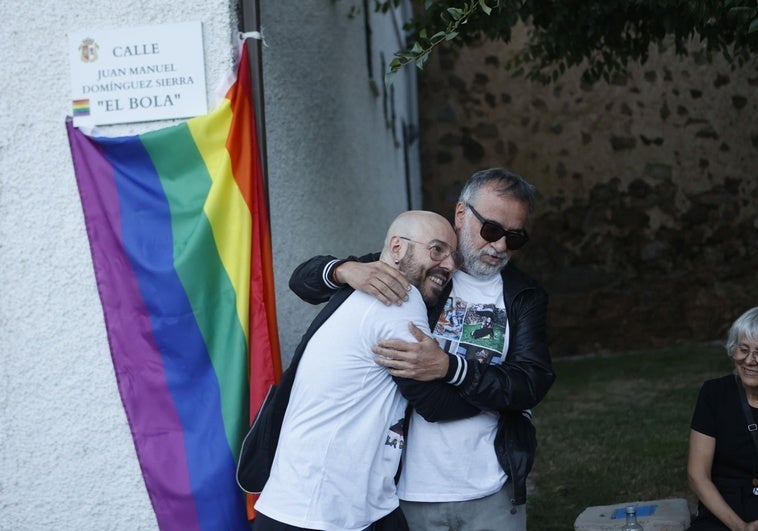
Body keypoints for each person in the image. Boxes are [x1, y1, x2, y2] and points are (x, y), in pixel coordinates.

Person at [289, 168, 556, 530]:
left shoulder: (524, 295)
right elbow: (303, 281)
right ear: (462, 214)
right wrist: (344, 270)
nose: (500, 247)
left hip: (492, 489)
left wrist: (450, 367)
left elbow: (532, 381)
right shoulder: (415, 272)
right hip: (407, 492)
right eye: (491, 230)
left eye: (515, 237)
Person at [253, 210, 482, 531]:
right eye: (437, 250)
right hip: (319, 512)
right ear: (397, 248)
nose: (449, 265)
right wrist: (498, 396)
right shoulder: (400, 297)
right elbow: (433, 401)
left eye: (453, 255)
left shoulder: (364, 291)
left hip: (341, 504)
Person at [687, 307, 758, 530]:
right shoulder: (714, 394)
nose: (749, 361)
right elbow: (697, 475)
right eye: (743, 350)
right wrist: (740, 527)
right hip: (722, 510)